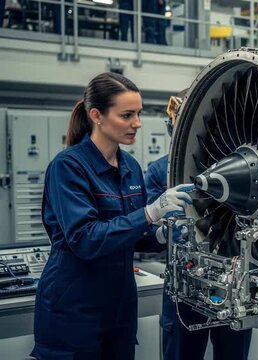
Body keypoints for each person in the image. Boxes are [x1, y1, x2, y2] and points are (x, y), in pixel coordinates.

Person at [31, 72, 193, 360]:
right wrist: (150, 212)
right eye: (127, 115)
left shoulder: (129, 166)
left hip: (118, 308)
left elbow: (132, 233)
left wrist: (160, 234)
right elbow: (85, 239)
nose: (137, 124)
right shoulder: (68, 167)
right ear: (97, 115)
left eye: (139, 114)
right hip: (74, 307)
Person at [145, 95, 253, 360]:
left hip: (231, 282)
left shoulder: (238, 169)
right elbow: (146, 227)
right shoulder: (160, 170)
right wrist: (162, 231)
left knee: (232, 351)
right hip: (185, 284)